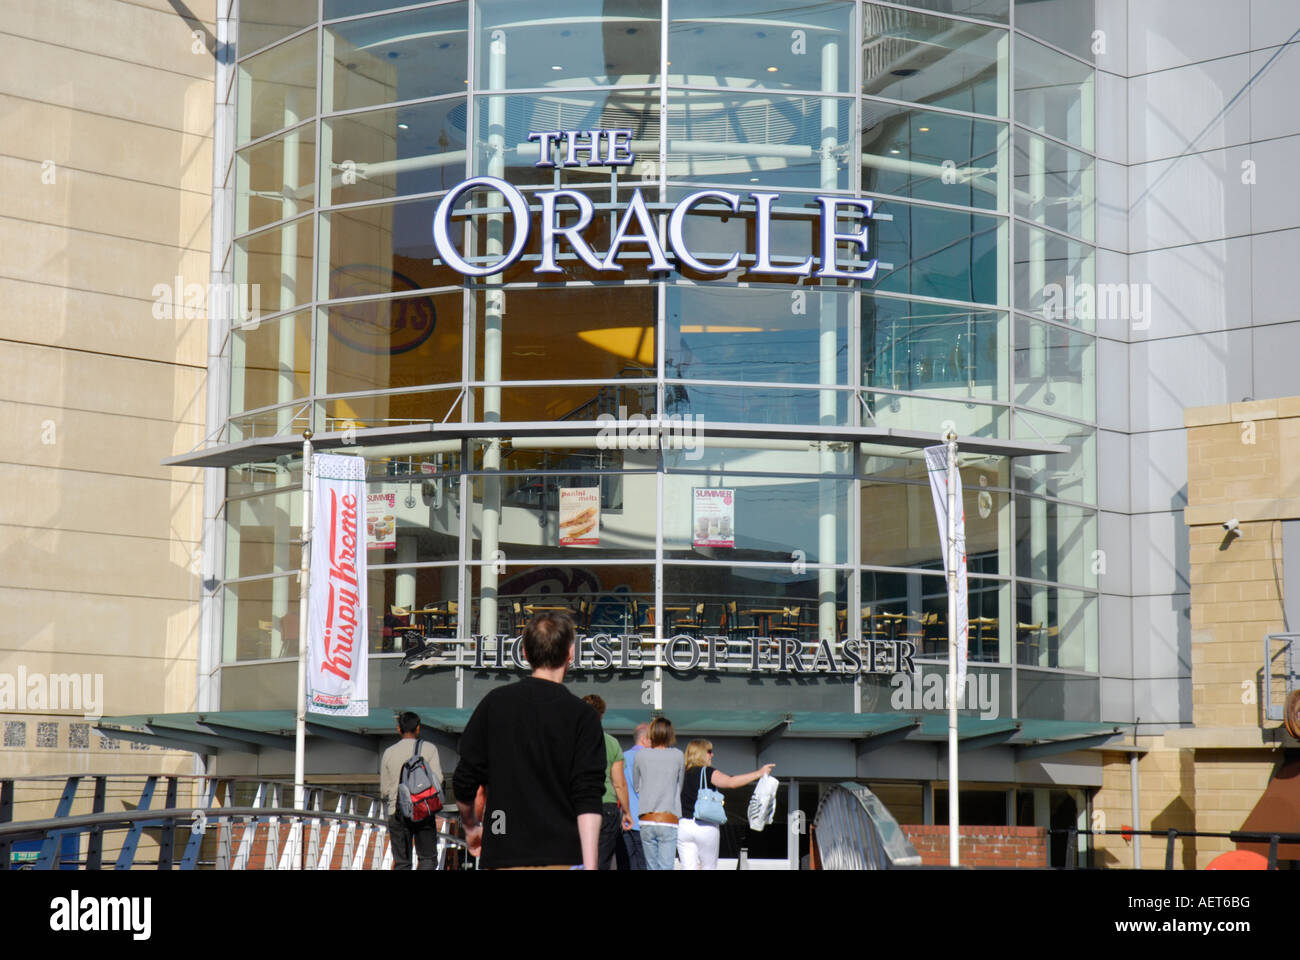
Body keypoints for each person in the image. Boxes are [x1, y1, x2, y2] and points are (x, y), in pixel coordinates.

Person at [452, 612, 605, 869]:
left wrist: (471, 826)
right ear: (571, 652)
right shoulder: (583, 716)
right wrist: (591, 866)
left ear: (524, 652)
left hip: (503, 848)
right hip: (559, 854)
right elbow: (588, 795)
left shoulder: (495, 704)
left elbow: (465, 778)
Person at [678, 739, 773, 870]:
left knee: (688, 867)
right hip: (705, 825)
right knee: (709, 867)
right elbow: (731, 782)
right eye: (709, 751)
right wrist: (758, 773)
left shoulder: (681, 773)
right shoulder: (707, 772)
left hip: (683, 826)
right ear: (700, 753)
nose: (712, 755)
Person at [379, 711, 443, 870]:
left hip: (398, 812)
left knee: (402, 863)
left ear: (399, 729)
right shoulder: (429, 749)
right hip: (423, 809)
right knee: (428, 858)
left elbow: (384, 790)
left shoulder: (389, 752)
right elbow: (439, 779)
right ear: (418, 728)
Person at [582, 694, 632, 869]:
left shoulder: (570, 740)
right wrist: (627, 811)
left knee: (578, 860)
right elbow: (619, 783)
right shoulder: (611, 742)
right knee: (601, 861)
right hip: (607, 806)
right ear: (602, 715)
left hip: (577, 804)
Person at [631, 717, 684, 870]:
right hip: (669, 817)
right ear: (670, 735)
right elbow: (679, 785)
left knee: (651, 867)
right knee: (666, 866)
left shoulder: (641, 755)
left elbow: (636, 785)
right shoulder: (678, 755)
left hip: (646, 818)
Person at [622, 722, 650, 870]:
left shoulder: (622, 758)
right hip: (645, 821)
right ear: (644, 739)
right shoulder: (650, 759)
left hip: (626, 821)